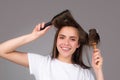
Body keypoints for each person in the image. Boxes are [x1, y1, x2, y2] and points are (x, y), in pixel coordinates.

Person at [0, 11, 104, 80]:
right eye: (62, 37)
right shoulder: (42, 64)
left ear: (78, 44)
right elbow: (2, 50)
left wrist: (98, 70)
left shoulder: (84, 74)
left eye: (72, 39)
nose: (66, 43)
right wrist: (32, 36)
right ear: (56, 40)